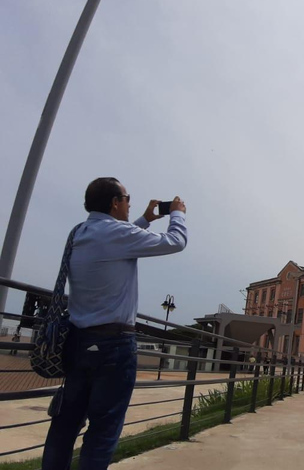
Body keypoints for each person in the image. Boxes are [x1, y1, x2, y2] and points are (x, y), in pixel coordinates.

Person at [42, 177, 187, 470]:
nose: (130, 202)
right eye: (127, 197)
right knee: (102, 433)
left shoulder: (80, 232)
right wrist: (178, 213)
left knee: (64, 426)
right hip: (113, 347)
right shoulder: (118, 235)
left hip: (78, 342)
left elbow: (120, 239)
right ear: (115, 203)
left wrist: (145, 219)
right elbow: (176, 242)